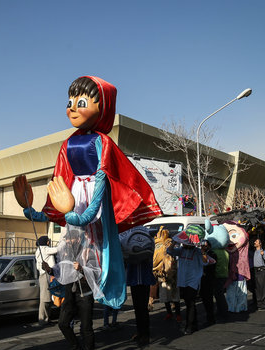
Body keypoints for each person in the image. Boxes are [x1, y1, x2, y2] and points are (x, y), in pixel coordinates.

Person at [13, 76, 162, 311]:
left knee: (99, 243)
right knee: (75, 243)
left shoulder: (103, 141)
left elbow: (103, 176)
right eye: (69, 102)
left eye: (81, 102)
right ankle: (77, 293)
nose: (71, 107)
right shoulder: (68, 143)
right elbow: (60, 181)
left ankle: (100, 284)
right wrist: (32, 210)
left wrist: (85, 213)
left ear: (102, 107)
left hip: (93, 197)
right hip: (75, 197)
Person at [42, 228, 100, 350]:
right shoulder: (65, 254)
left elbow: (96, 272)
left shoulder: (88, 252)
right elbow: (61, 270)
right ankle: (76, 349)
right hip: (70, 293)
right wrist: (49, 270)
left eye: (70, 239)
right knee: (63, 323)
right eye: (66, 239)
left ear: (78, 240)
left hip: (85, 294)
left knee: (86, 327)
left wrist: (81, 269)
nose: (68, 242)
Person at [167, 228, 208, 335]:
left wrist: (203, 251)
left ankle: (189, 326)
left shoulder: (198, 252)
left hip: (193, 281)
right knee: (188, 303)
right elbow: (169, 251)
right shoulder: (181, 251)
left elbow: (205, 262)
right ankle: (194, 324)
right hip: (182, 281)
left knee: (190, 303)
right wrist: (176, 240)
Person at [35, 236, 57, 326]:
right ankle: (43, 320)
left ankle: (47, 318)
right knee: (45, 298)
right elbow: (57, 249)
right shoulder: (44, 249)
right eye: (48, 241)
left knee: (47, 298)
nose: (49, 242)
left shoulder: (39, 250)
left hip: (45, 274)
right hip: (46, 274)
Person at [199, 240, 218, 326]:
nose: (203, 247)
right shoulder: (201, 254)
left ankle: (211, 318)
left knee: (209, 299)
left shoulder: (212, 254)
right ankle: (209, 316)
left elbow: (210, 263)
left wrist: (204, 254)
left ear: (209, 246)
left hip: (209, 279)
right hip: (202, 279)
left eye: (205, 246)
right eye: (202, 246)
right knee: (204, 299)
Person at [252, 238, 265, 311]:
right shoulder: (254, 252)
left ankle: (264, 305)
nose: (254, 242)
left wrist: (264, 255)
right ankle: (259, 304)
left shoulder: (262, 251)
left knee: (263, 288)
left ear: (260, 244)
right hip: (256, 271)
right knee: (258, 288)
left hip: (262, 271)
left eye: (256, 241)